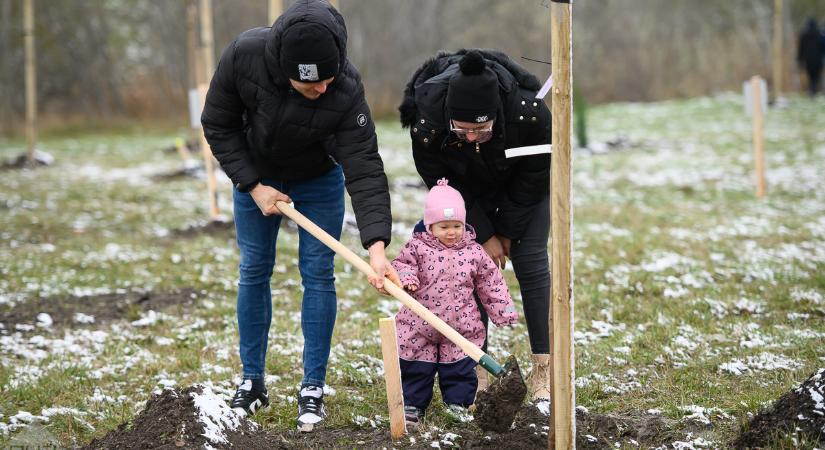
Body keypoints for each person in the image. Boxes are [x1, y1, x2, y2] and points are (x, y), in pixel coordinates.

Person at [200, 0, 399, 432]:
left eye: (329, 79)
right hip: (257, 174)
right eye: (312, 84)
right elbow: (217, 123)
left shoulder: (345, 87)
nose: (324, 89)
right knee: (254, 268)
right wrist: (253, 185)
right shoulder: (245, 56)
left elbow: (363, 164)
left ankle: (312, 387)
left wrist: (377, 246)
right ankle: (252, 382)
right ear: (285, 71)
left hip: (318, 178)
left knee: (318, 273)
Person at [399, 49, 553, 401]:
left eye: (481, 131)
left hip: (522, 192)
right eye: (463, 131)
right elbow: (440, 179)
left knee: (531, 265)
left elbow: (535, 176)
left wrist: (508, 232)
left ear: (496, 117)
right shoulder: (428, 124)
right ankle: (477, 369)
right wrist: (482, 235)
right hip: (467, 196)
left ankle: (543, 367)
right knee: (469, 267)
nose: (471, 138)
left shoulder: (528, 115)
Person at [392, 178, 518, 426]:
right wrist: (406, 280)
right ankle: (413, 406)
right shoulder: (417, 247)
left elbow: (490, 282)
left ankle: (458, 405)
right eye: (444, 227)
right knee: (417, 367)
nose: (451, 232)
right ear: (430, 226)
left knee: (460, 369)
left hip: (460, 324)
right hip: (420, 323)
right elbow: (401, 265)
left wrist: (502, 311)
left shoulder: (473, 251)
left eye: (456, 226)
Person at [797, 18, 824, 96]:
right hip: (818, 59)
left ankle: (812, 90)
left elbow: (801, 48)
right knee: (816, 76)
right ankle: (814, 90)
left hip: (808, 60)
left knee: (810, 75)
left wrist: (800, 59)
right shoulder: (819, 34)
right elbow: (823, 46)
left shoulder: (804, 35)